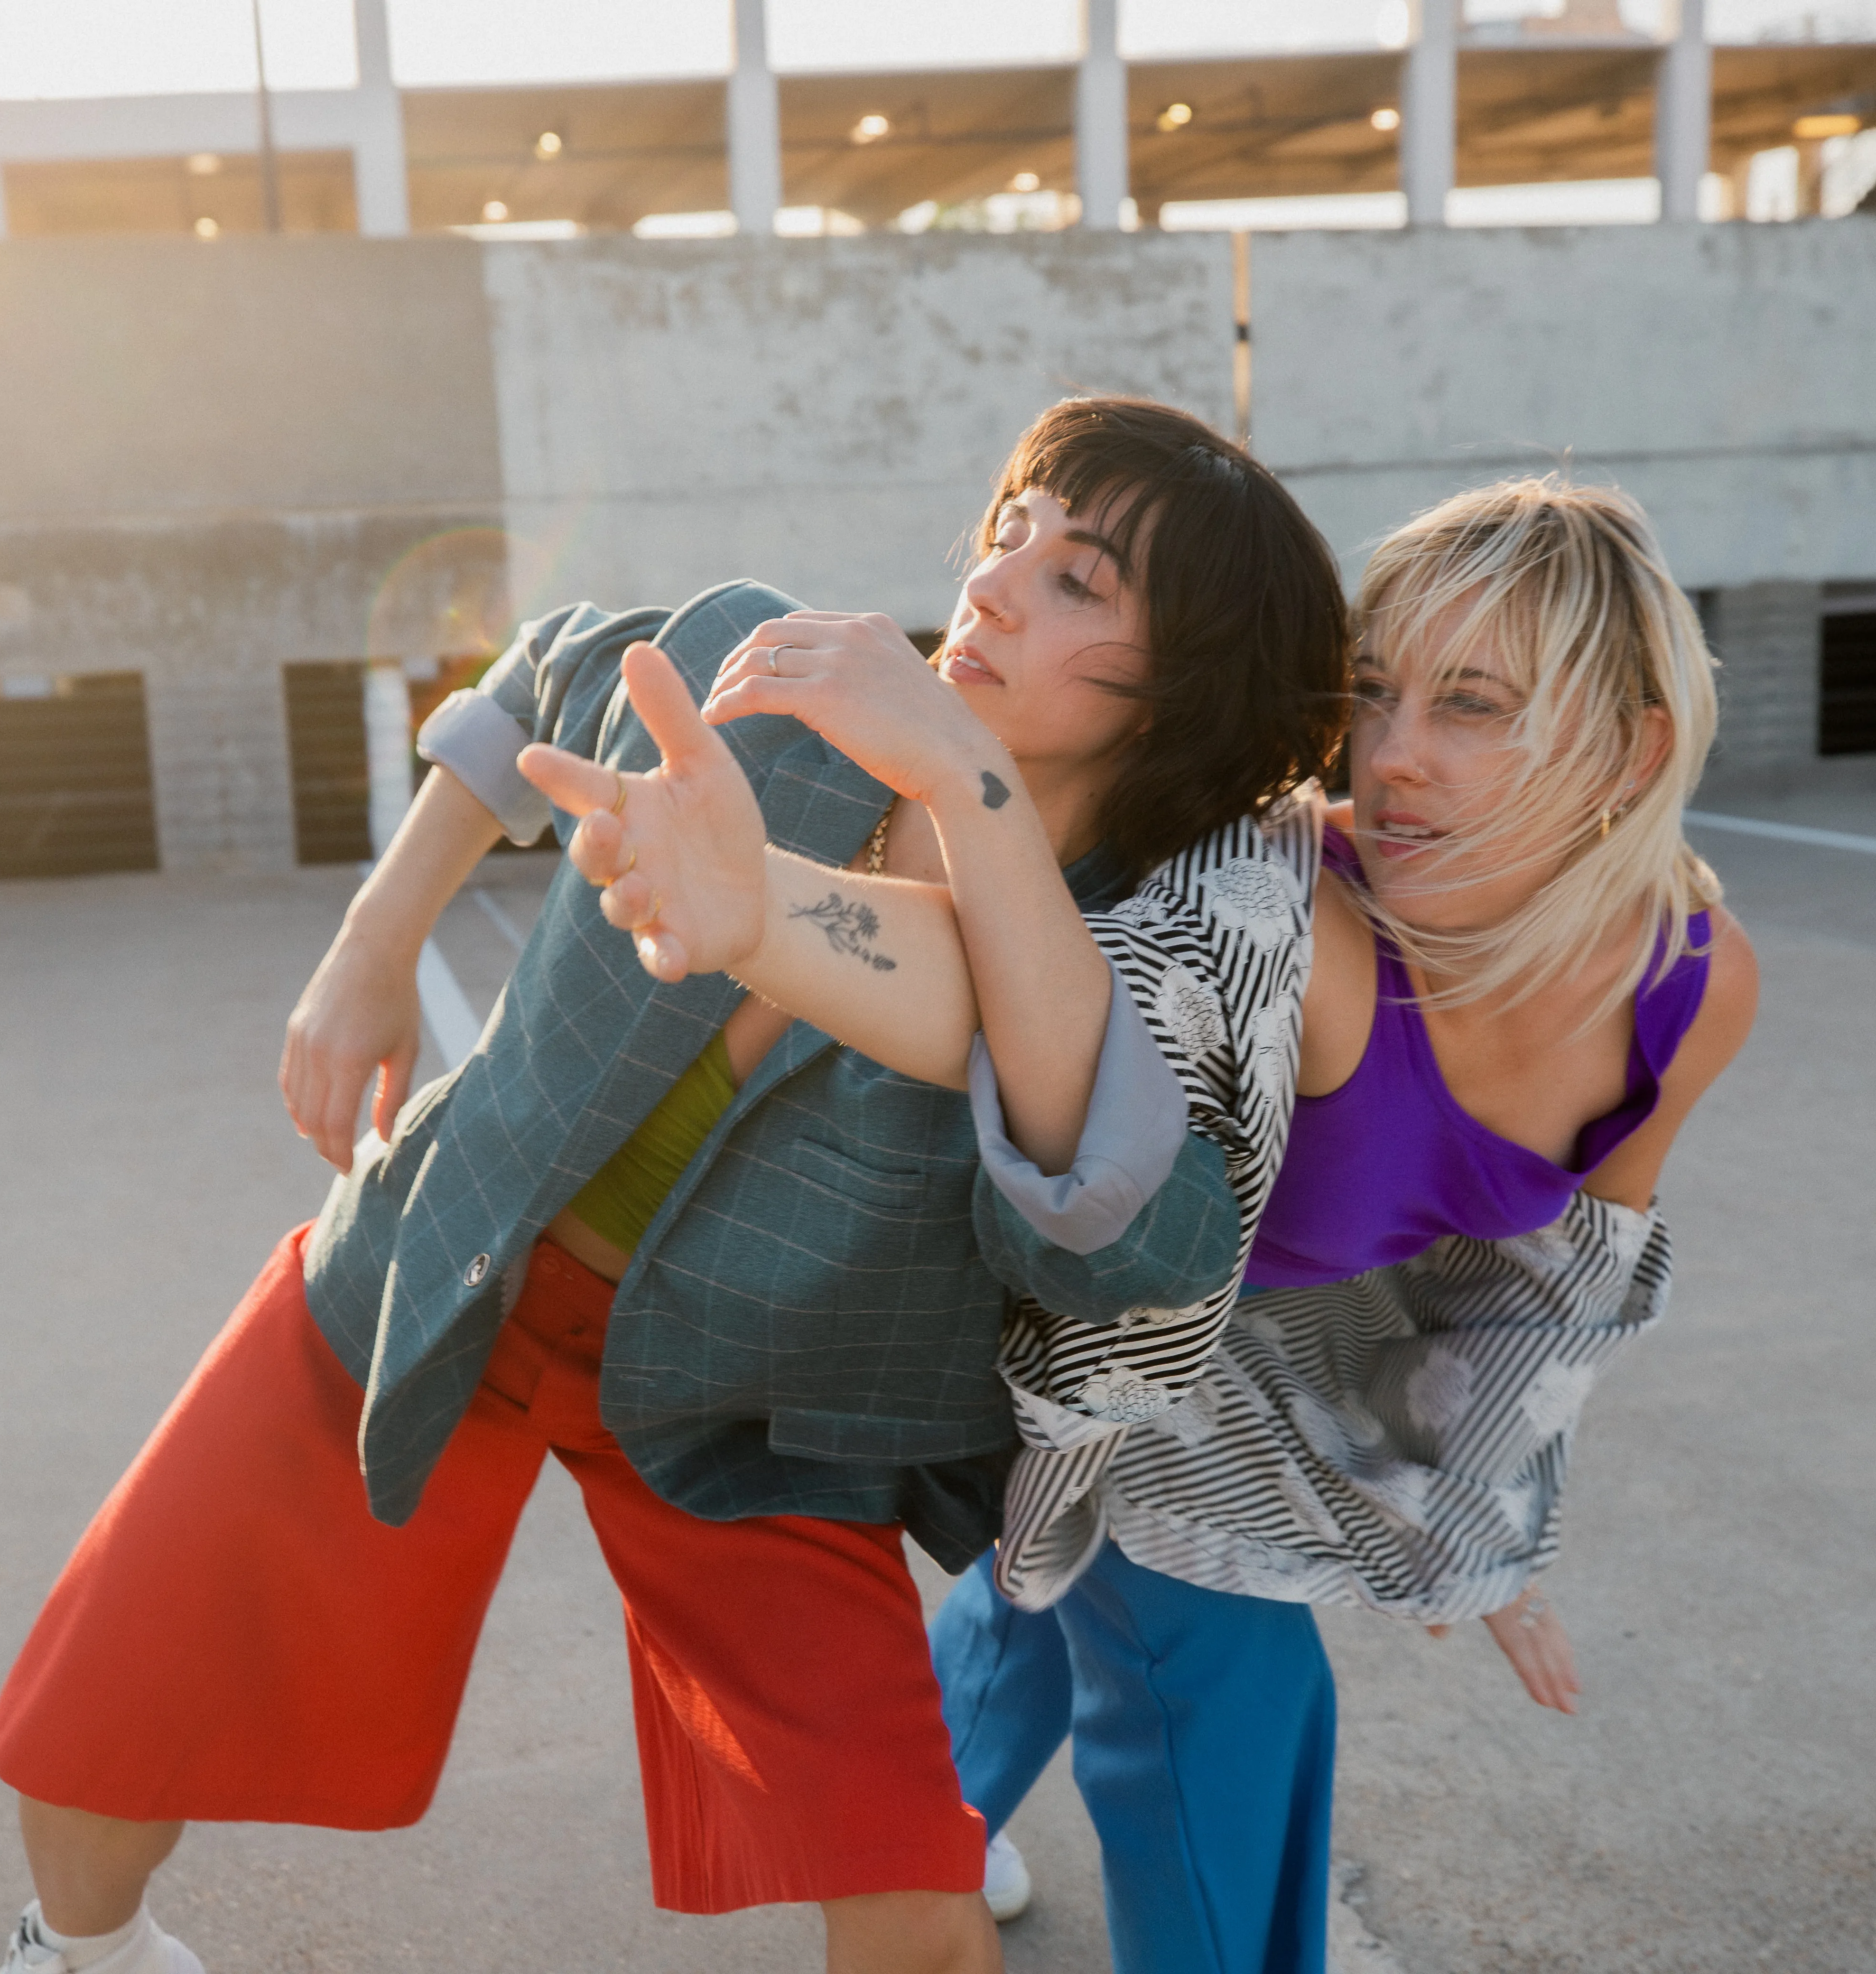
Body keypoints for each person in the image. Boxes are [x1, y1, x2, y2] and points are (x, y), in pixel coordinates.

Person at [0, 396, 1349, 1974]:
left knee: (922, 1906)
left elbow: (1147, 1251)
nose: (990, 585)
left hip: (768, 1406)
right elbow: (534, 678)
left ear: (1191, 689)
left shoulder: (1130, 956)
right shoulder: (765, 672)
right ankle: (78, 1952)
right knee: (102, 1714)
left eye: (1080, 583)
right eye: (1006, 535)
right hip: (458, 1256)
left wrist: (965, 782)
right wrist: (373, 945)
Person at [574, 476, 1757, 1974]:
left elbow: (1556, 1290)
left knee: (1035, 1600)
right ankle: (921, 1858)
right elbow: (1019, 1005)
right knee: (1229, 1699)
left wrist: (1477, 1526)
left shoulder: (1691, 981)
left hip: (1266, 1364)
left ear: (1630, 748)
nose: (1390, 760)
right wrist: (764, 910)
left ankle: (912, 1844)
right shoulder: (1272, 912)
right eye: (1377, 695)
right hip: (1095, 1333)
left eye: (1473, 706)